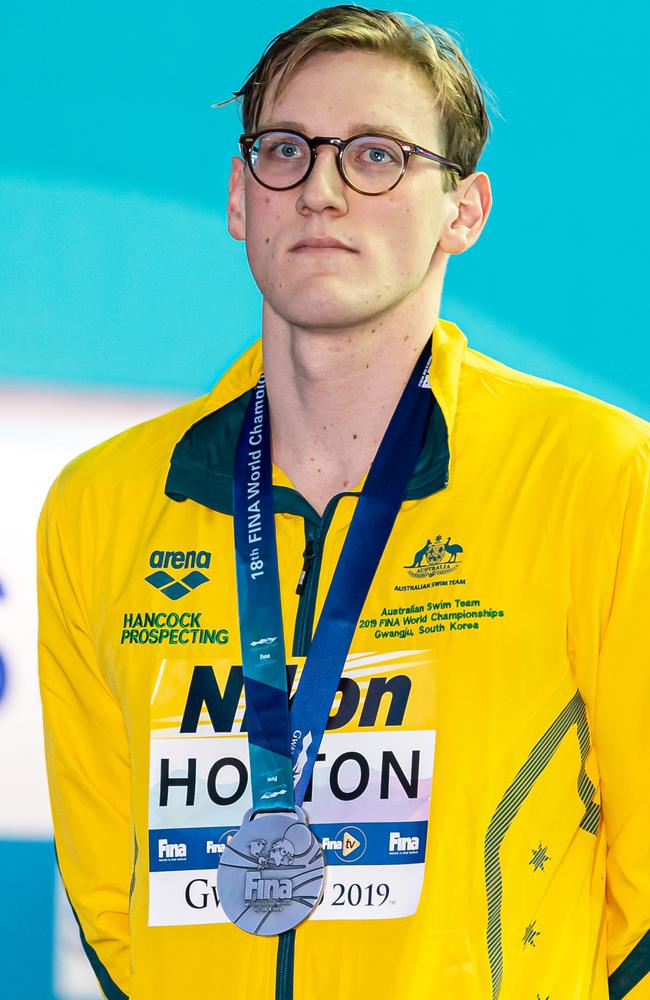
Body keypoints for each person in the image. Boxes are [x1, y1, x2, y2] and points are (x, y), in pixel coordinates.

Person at [36, 5, 650, 1000]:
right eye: (285, 151)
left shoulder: (599, 476)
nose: (319, 189)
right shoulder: (101, 506)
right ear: (240, 197)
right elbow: (111, 892)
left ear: (463, 209)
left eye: (374, 156)